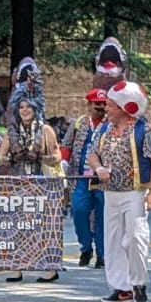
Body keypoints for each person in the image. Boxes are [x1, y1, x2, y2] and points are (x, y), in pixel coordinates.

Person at [86, 81, 151, 302]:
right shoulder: (103, 129)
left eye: (110, 105)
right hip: (111, 193)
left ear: (123, 107)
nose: (106, 108)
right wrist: (98, 168)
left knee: (135, 237)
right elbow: (92, 154)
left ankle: (139, 284)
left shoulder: (145, 130)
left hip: (136, 193)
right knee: (112, 241)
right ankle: (121, 288)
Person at [0, 96, 61, 283]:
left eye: (29, 107)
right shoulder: (12, 132)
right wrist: (5, 159)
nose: (25, 111)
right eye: (21, 107)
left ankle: (49, 268)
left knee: (42, 226)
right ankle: (16, 267)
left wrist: (50, 159)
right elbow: (1, 155)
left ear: (36, 110)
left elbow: (57, 153)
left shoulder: (45, 130)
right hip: (18, 182)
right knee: (17, 224)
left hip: (40, 181)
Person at [64, 88, 108, 268]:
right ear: (89, 105)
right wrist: (64, 161)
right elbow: (66, 145)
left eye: (104, 105)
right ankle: (85, 247)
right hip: (80, 177)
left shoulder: (110, 124)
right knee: (79, 211)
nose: (101, 108)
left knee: (102, 217)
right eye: (97, 105)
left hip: (102, 178)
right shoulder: (79, 123)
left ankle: (102, 254)